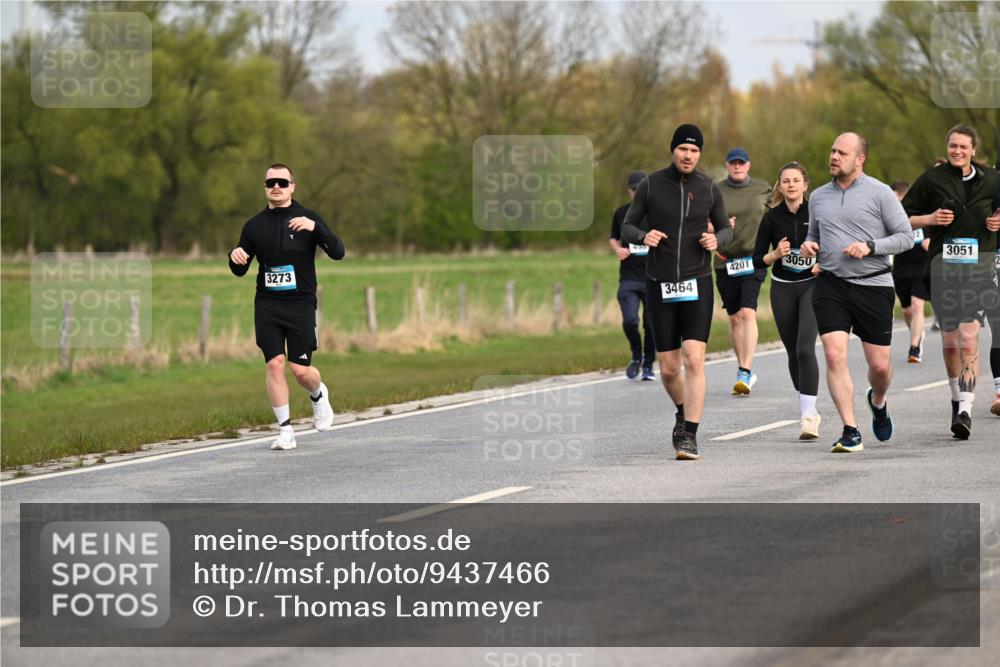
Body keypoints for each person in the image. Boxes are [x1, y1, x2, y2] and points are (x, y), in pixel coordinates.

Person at [620, 123, 733, 460]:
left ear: (700, 154)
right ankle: (683, 412)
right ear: (673, 150)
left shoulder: (709, 188)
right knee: (669, 368)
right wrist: (643, 236)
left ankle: (690, 434)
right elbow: (627, 225)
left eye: (695, 150)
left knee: (694, 359)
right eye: (683, 149)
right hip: (660, 284)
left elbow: (726, 228)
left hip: (697, 281)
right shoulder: (652, 185)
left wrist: (717, 240)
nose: (688, 155)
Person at [800, 132, 913, 453]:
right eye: (832, 150)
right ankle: (850, 430)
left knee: (879, 367)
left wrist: (871, 246)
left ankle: (878, 400)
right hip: (831, 284)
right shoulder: (819, 196)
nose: (833, 157)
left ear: (860, 159)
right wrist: (809, 247)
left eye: (842, 152)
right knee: (834, 354)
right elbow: (813, 236)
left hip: (874, 285)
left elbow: (905, 237)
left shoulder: (880, 194)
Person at [229, 163, 346, 451]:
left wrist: (316, 229)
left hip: (300, 303)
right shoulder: (254, 225)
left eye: (283, 182)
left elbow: (338, 252)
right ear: (265, 188)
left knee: (300, 370)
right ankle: (285, 431)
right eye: (271, 183)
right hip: (268, 303)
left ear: (293, 186)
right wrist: (234, 256)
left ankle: (318, 395)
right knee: (274, 364)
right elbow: (239, 269)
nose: (277, 187)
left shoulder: (307, 218)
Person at [901, 124, 1000, 439]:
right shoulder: (933, 180)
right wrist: (929, 220)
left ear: (974, 149)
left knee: (969, 335)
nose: (957, 151)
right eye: (953, 146)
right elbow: (901, 216)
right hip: (942, 270)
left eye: (963, 147)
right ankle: (956, 397)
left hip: (979, 268)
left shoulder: (993, 180)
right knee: (950, 340)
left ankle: (966, 410)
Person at [752, 162, 821, 439]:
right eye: (785, 181)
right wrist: (774, 256)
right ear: (779, 186)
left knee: (806, 348)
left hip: (811, 285)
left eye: (796, 180)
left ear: (805, 185)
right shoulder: (771, 218)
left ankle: (808, 416)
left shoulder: (817, 213)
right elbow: (757, 259)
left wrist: (822, 262)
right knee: (793, 352)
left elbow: (834, 244)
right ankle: (807, 401)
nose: (791, 185)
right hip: (782, 287)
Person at [714, 147, 772, 395]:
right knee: (735, 317)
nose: (737, 167)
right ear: (727, 166)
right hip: (724, 260)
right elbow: (702, 221)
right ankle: (743, 367)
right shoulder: (715, 190)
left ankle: (745, 372)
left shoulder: (763, 189)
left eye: (741, 163)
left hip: (752, 260)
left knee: (748, 312)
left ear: (748, 165)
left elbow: (778, 214)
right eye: (733, 163)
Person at [609, 170, 656, 381]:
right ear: (629, 190)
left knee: (651, 324)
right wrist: (617, 249)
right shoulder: (621, 213)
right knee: (630, 320)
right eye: (634, 189)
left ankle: (648, 364)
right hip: (628, 277)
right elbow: (613, 238)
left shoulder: (657, 213)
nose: (637, 192)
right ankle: (636, 354)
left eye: (641, 188)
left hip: (653, 276)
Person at [889, 180, 931, 363]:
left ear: (903, 196)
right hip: (901, 268)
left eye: (894, 197)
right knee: (906, 311)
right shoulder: (890, 219)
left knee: (917, 306)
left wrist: (929, 244)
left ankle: (914, 348)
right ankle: (917, 333)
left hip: (921, 267)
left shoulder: (921, 215)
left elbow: (932, 238)